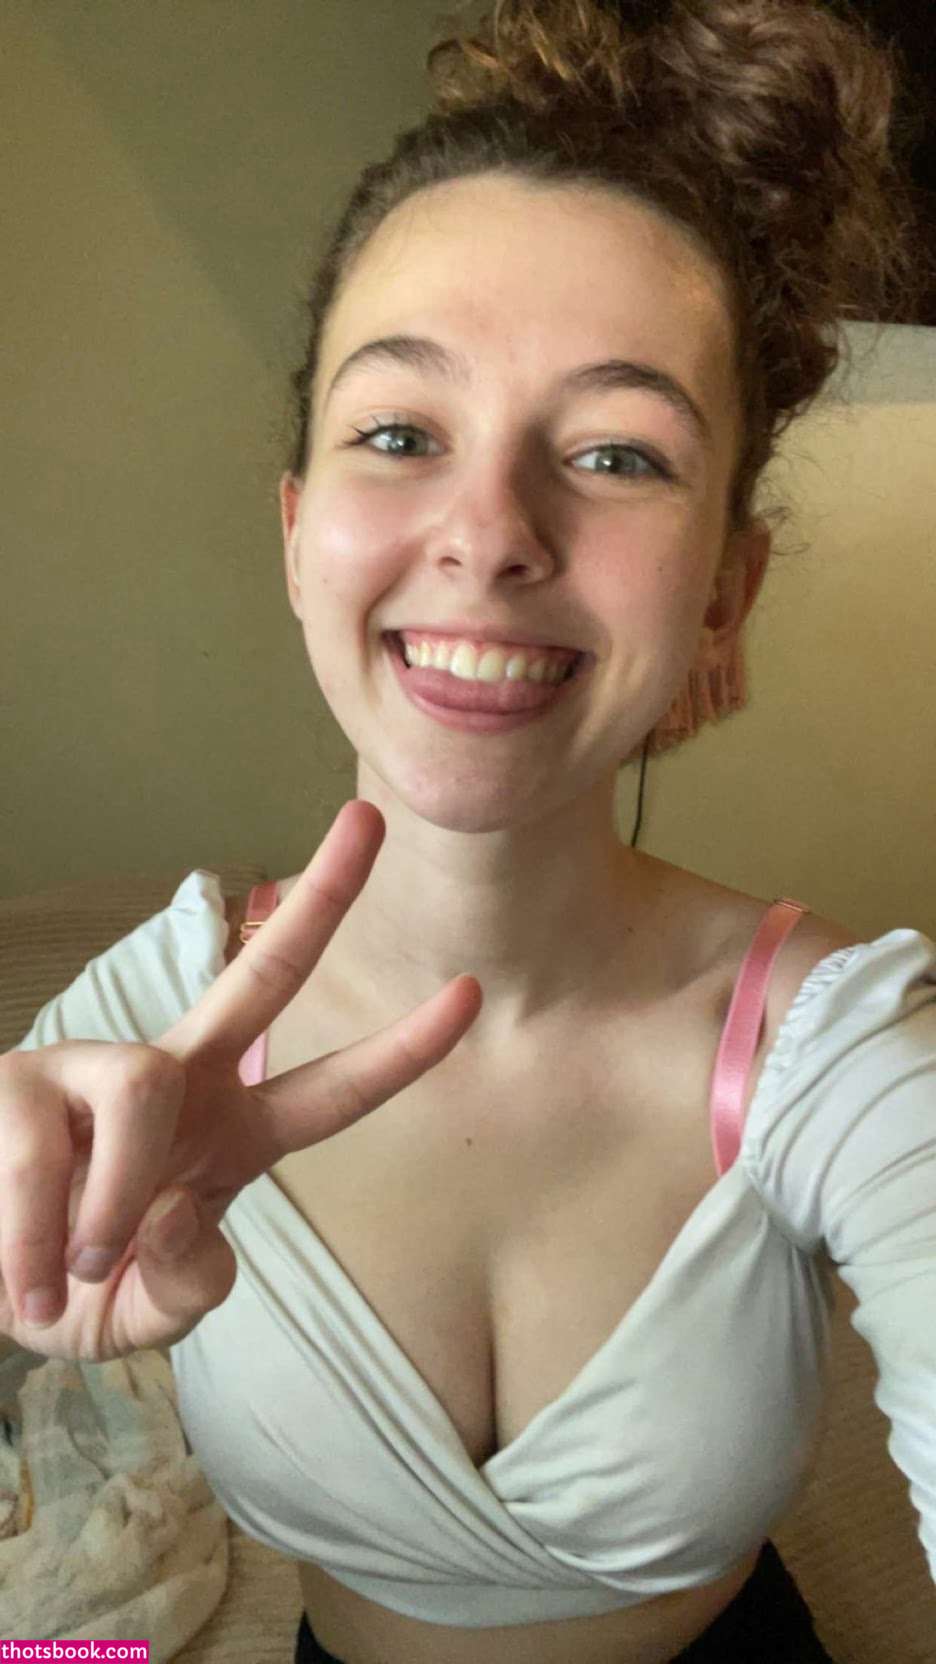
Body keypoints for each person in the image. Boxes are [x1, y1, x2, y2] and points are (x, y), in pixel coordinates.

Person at [4, 1, 934, 1660]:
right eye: (400, 434)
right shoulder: (142, 1031)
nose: (491, 531)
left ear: (725, 593)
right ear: (300, 533)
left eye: (616, 452)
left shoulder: (847, 1058)